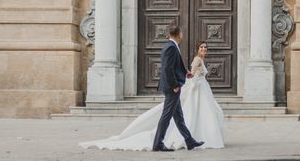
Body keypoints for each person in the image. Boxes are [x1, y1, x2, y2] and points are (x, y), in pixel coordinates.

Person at [80, 30, 224, 151]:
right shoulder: (171, 47)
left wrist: (185, 72)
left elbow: (174, 65)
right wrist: (174, 85)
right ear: (177, 34)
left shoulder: (172, 46)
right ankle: (157, 143)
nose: (182, 35)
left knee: (179, 117)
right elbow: (167, 68)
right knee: (166, 116)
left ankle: (189, 141)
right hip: (172, 88)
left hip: (175, 87)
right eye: (181, 33)